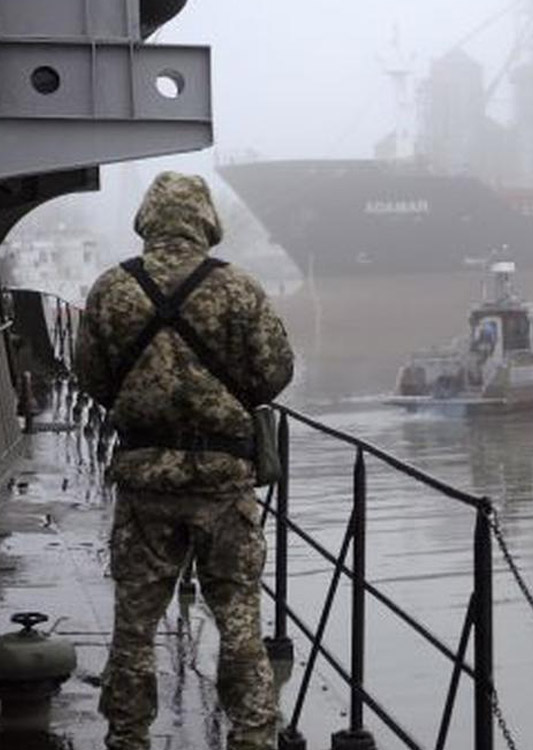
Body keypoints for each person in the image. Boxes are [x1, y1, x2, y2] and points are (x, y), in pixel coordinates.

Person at [75, 171, 295, 750]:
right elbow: (274, 373)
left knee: (134, 629)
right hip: (223, 485)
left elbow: (92, 377)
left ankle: (128, 739)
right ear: (206, 220)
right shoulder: (238, 288)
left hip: (144, 483)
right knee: (240, 626)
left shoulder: (110, 289)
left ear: (148, 218)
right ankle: (251, 738)